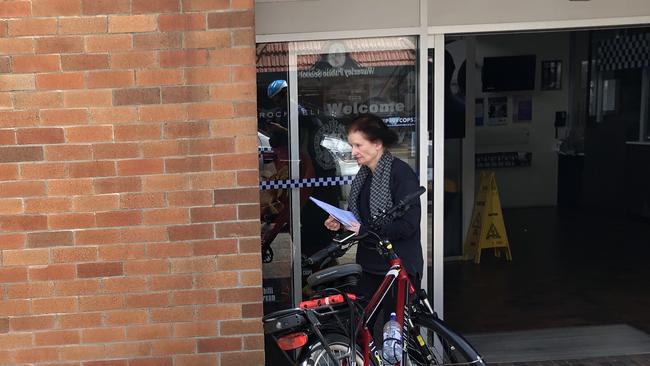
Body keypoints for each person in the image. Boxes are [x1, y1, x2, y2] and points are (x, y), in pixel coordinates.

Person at [324, 113, 423, 312]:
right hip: (369, 265)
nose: (353, 152)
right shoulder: (363, 176)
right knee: (363, 327)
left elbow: (408, 225)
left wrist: (365, 230)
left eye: (358, 145)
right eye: (352, 145)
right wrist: (341, 222)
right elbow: (357, 218)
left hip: (397, 265)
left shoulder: (400, 174)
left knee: (393, 331)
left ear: (377, 144)